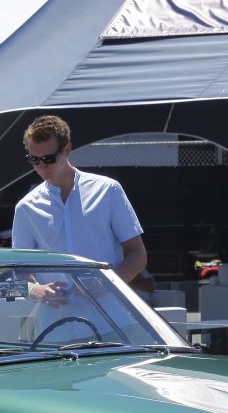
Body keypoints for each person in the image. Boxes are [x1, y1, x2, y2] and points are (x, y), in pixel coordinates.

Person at [12, 115, 150, 291]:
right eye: (34, 159)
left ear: (67, 149)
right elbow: (18, 270)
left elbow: (138, 255)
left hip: (105, 306)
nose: (41, 166)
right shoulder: (25, 207)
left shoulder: (108, 190)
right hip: (53, 308)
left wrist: (105, 285)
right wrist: (36, 290)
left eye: (48, 159)